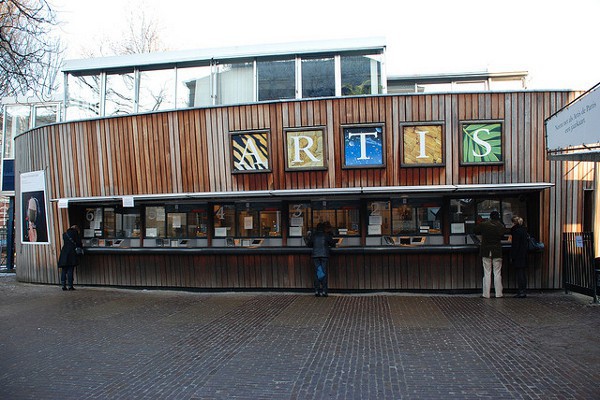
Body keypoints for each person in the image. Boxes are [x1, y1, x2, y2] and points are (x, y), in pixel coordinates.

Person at [474, 211, 507, 298]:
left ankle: (486, 294)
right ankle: (499, 293)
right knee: (497, 273)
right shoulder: (500, 225)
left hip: (486, 250)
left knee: (487, 272)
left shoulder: (484, 225)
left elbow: (475, 230)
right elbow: (503, 234)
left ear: (490, 217)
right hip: (497, 251)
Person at [305, 221, 337, 297]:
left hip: (315, 255)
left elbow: (309, 245)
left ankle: (317, 290)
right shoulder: (326, 235)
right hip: (324, 255)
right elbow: (333, 244)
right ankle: (324, 291)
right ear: (323, 228)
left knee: (318, 272)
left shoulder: (314, 235)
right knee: (323, 272)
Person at [57, 225, 83, 291]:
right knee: (70, 270)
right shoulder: (75, 234)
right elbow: (78, 243)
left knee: (64, 270)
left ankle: (63, 286)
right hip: (71, 253)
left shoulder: (65, 234)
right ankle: (70, 286)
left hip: (64, 252)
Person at [510, 216, 529, 298]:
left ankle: (521, 291)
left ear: (514, 223)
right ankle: (523, 290)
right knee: (522, 273)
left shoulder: (515, 231)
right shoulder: (524, 230)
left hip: (518, 255)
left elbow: (515, 245)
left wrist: (512, 256)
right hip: (524, 254)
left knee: (519, 273)